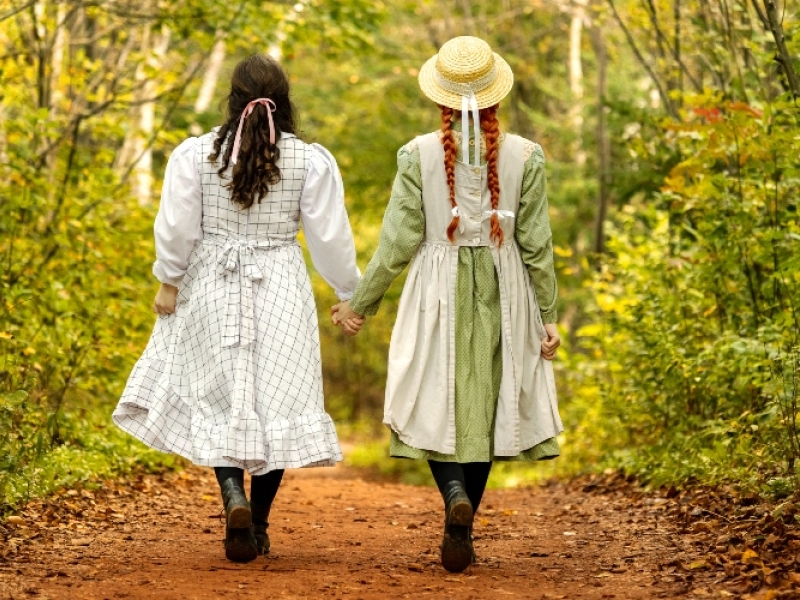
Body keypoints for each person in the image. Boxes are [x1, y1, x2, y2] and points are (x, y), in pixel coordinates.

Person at [113, 54, 360, 563]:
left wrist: (169, 280)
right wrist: (346, 292)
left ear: (232, 99)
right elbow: (329, 238)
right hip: (281, 288)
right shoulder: (308, 160)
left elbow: (178, 225)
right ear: (284, 101)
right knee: (278, 402)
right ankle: (260, 524)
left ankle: (231, 497)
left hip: (211, 284)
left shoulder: (196, 154)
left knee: (217, 398)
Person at [332, 36, 563, 573]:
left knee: (435, 397)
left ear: (440, 97)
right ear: (495, 97)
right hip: (506, 289)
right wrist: (547, 314)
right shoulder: (527, 155)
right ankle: (465, 520)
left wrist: (359, 304)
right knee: (485, 409)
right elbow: (537, 244)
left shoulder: (417, 154)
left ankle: (453, 490)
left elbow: (397, 241)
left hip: (436, 288)